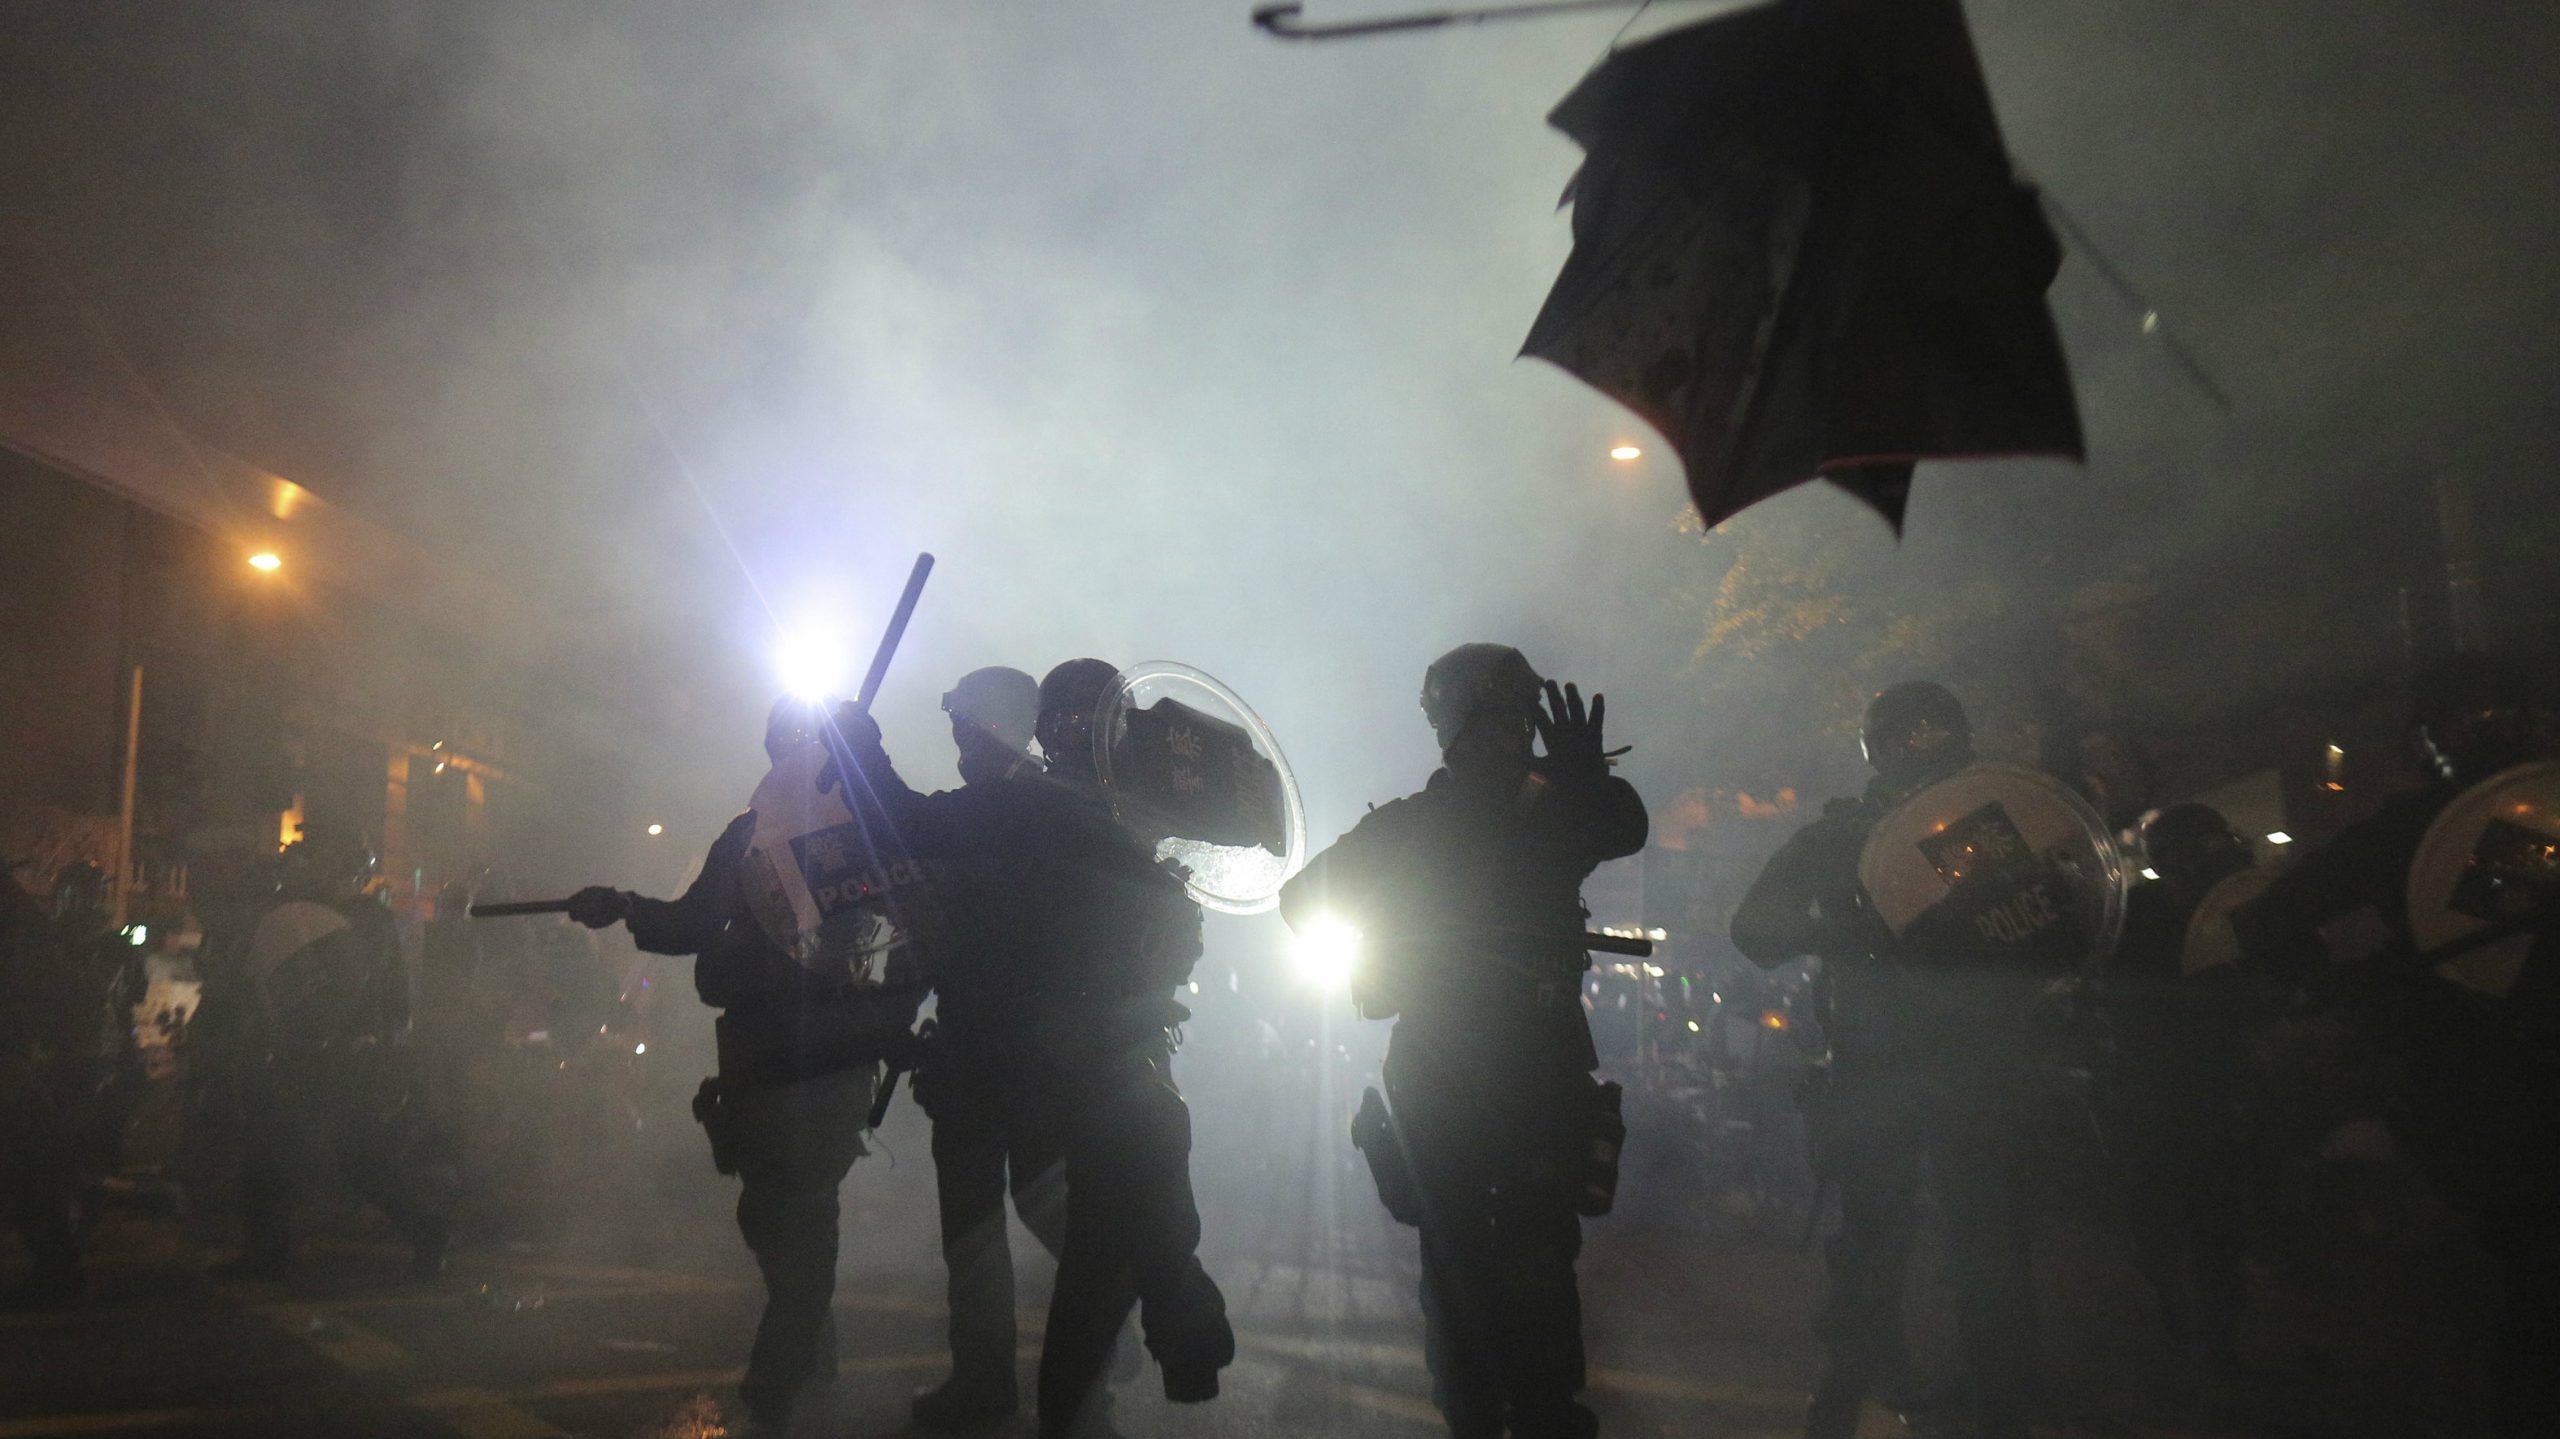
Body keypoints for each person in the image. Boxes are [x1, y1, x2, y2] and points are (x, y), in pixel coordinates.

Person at [1281, 644, 1648, 1439]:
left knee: (1522, 1268)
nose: (1506, 741)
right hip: (1470, 1076)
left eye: (1514, 725)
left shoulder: (1530, 813)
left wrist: (1584, 779)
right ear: (1455, 732)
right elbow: (1304, 901)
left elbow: (1627, 825)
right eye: (1494, 724)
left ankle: (1516, 1413)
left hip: (1504, 1075)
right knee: (1488, 1272)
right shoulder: (1476, 821)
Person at [568, 697, 925, 1437]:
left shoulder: (870, 832)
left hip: (830, 1054)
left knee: (805, 1213)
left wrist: (893, 1017)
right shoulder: (749, 835)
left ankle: (775, 1384)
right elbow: (694, 922)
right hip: (759, 1054)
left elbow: (918, 930)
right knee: (770, 1214)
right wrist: (626, 905)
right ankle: (808, 1338)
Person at [2234, 653, 2560, 1437]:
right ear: (2431, 736)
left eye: (2503, 718)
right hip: (2479, 1085)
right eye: (2472, 721)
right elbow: (2268, 922)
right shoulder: (2411, 832)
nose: (2491, 733)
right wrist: (2374, 985)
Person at [1729, 681, 2041, 1439]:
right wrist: (1847, 930)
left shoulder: (1981, 827)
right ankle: (1862, 1396)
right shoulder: (1852, 838)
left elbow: (2051, 918)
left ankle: (1956, 1399)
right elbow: (1756, 929)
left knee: (1949, 1241)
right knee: (1920, 1241)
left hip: (1947, 1065)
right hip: (1896, 1066)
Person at [904, 666, 1097, 1430]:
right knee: (989, 1218)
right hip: (994, 1048)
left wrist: (861, 753)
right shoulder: (1045, 803)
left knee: (1004, 1213)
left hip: (1014, 1051)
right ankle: (1000, 1371)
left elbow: (908, 823)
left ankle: (1095, 1322)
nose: (955, 742)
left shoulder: (1017, 805)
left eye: (963, 727)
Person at [218, 830, 450, 1283]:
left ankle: (429, 1233)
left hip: (348, 1056)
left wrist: (371, 1038)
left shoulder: (366, 920)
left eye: (338, 866)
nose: (327, 873)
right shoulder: (303, 916)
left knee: (359, 1159)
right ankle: (266, 1253)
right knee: (273, 1152)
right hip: (307, 1053)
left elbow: (376, 990)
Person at [2101, 803, 2262, 1367]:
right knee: (2172, 1218)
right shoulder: (2138, 913)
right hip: (2161, 1086)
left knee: (2210, 1221)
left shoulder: (2231, 904)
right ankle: (2183, 1322)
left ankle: (2215, 1337)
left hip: (2202, 1084)